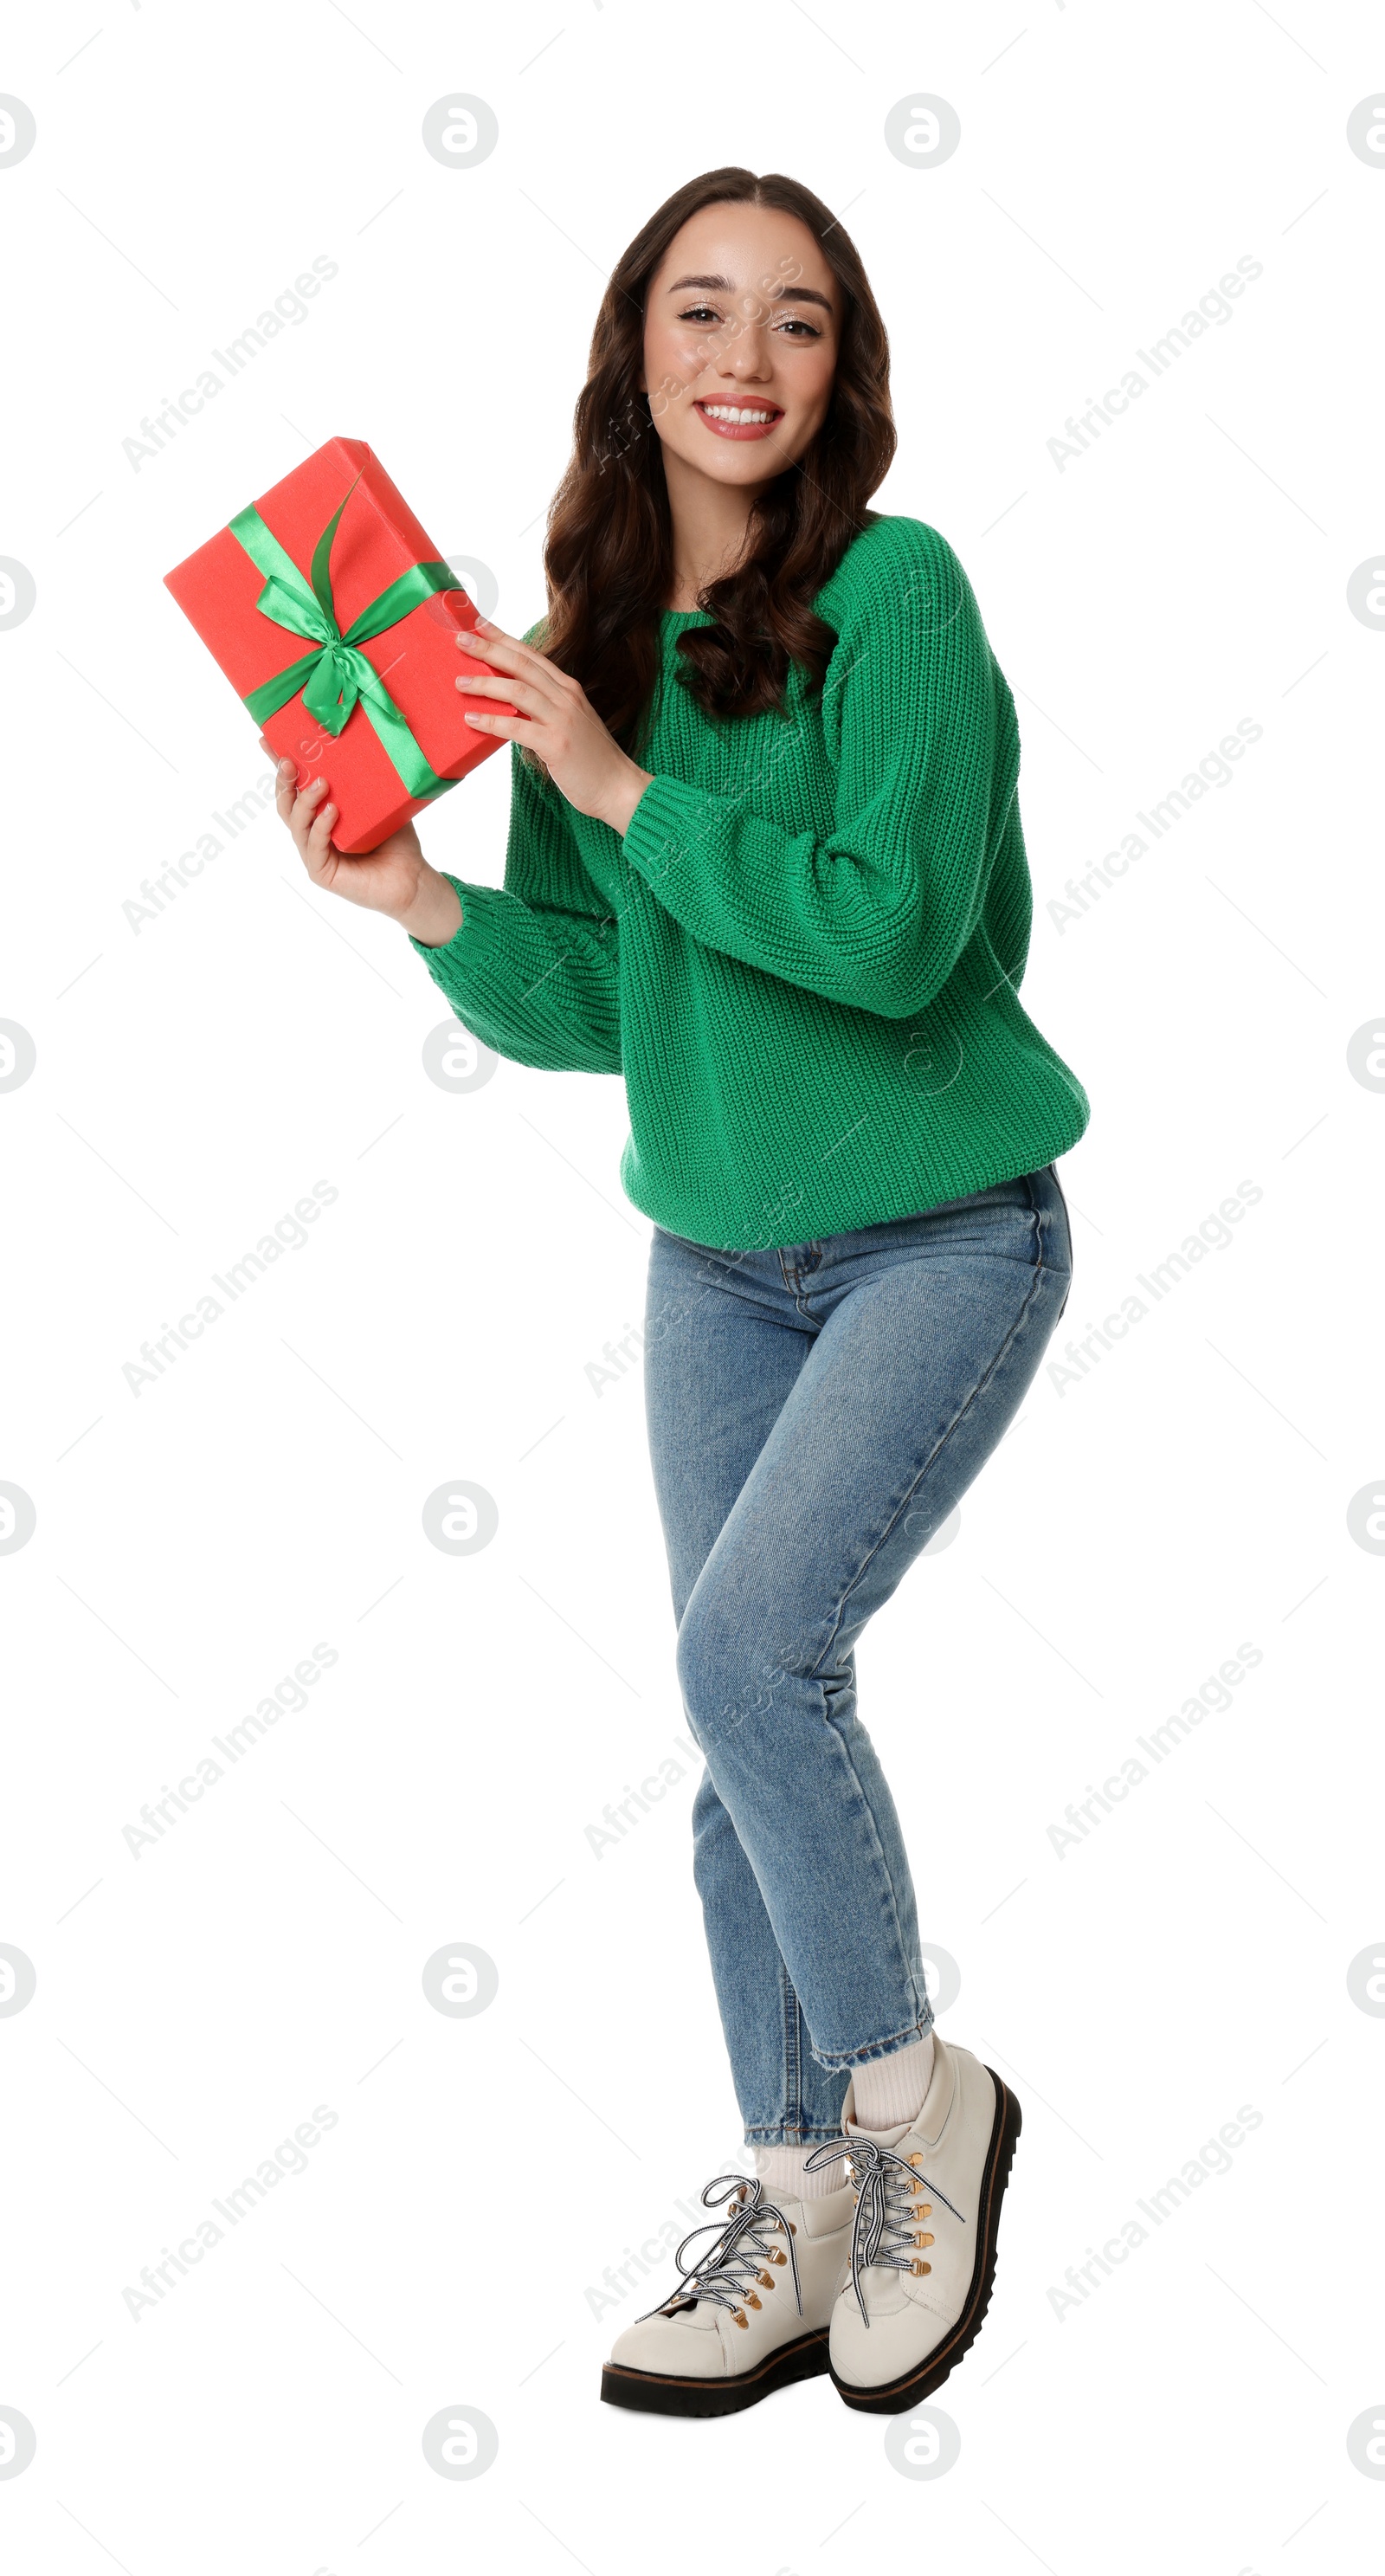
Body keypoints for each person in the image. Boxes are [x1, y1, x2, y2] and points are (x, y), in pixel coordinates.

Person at [265, 166, 1089, 2418]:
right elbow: (611, 996)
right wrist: (420, 898)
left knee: (753, 1652)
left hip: (942, 1230)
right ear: (635, 354)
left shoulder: (901, 598)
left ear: (844, 370)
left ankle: (921, 2106)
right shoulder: (592, 642)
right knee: (739, 1724)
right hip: (716, 1253)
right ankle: (798, 2184)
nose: (744, 356)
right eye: (699, 311)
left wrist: (624, 787)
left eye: (796, 319)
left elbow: (889, 930)